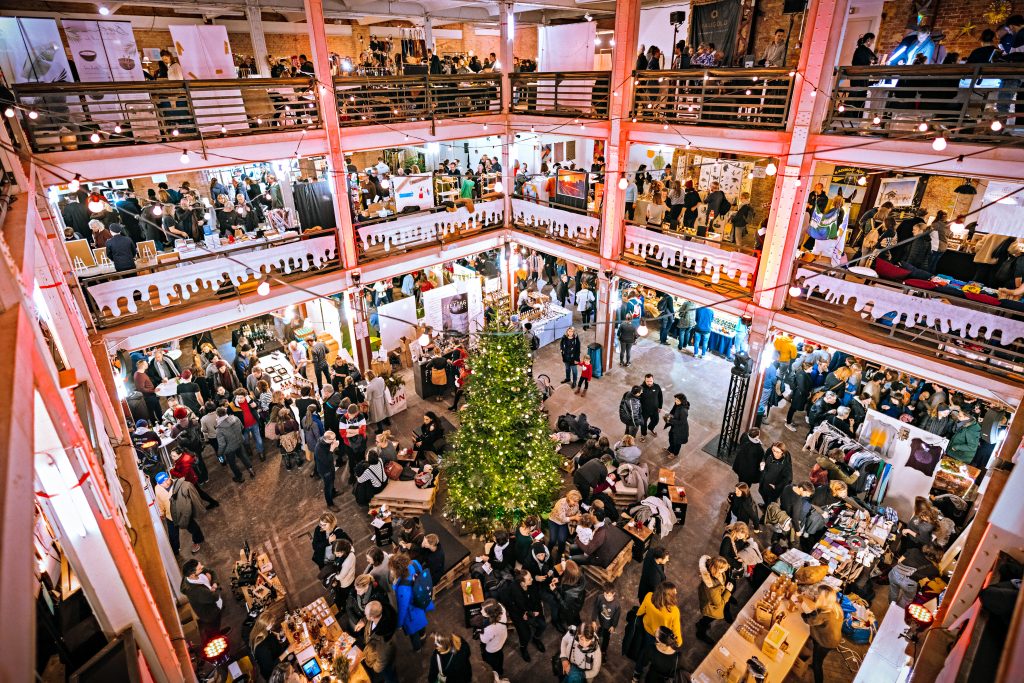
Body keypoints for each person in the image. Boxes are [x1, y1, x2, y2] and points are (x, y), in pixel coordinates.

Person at [634, 582, 682, 680]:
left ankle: (636, 674)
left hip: (648, 629)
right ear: (668, 596)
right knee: (651, 654)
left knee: (645, 651)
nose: (676, 592)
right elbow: (676, 629)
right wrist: (678, 642)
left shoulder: (649, 596)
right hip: (662, 636)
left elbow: (640, 612)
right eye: (674, 592)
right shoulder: (674, 611)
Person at [801, 585, 844, 683]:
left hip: (825, 642)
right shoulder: (835, 606)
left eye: (819, 595)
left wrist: (802, 613)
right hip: (832, 639)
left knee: (818, 664)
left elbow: (809, 620)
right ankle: (814, 663)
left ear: (824, 599)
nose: (817, 596)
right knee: (819, 655)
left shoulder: (823, 614)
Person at [391, 553, 432, 651]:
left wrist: (399, 624)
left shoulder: (402, 588)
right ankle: (423, 636)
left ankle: (418, 648)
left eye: (392, 569)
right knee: (421, 623)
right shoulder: (415, 563)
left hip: (411, 613)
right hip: (421, 601)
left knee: (414, 634)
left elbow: (403, 608)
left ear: (398, 570)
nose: (391, 571)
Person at [180, 559, 224, 640]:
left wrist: (214, 583)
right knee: (214, 628)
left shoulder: (189, 574)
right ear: (192, 575)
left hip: (209, 600)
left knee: (212, 628)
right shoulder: (196, 591)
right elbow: (215, 597)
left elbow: (212, 572)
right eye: (200, 568)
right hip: (211, 613)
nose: (203, 567)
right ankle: (216, 638)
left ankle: (217, 634)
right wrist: (213, 585)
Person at [696, 555, 733, 644]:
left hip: (710, 600)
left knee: (705, 619)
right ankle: (700, 633)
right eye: (723, 569)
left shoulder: (715, 572)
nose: (725, 570)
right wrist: (728, 591)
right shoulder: (712, 587)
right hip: (711, 608)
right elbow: (718, 604)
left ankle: (700, 623)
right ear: (716, 569)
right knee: (708, 618)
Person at [215, 406, 255, 483]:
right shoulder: (235, 418)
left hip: (229, 449)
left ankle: (239, 477)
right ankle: (251, 470)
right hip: (239, 442)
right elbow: (242, 427)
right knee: (243, 456)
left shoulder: (219, 429)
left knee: (232, 463)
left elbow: (222, 444)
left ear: (218, 415)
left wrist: (219, 453)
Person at [479, 598, 508, 679]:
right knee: (499, 654)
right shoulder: (501, 608)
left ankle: (495, 673)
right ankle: (500, 670)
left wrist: (480, 630)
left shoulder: (491, 628)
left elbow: (484, 640)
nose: (481, 611)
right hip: (502, 637)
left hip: (492, 647)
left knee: (491, 661)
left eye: (483, 611)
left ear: (490, 614)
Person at [548, 490, 582, 559]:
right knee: (552, 540)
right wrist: (574, 517)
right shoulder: (561, 503)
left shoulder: (576, 505)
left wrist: (578, 515)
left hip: (564, 523)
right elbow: (562, 519)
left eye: (577, 501)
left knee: (562, 540)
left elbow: (576, 512)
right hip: (554, 521)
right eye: (574, 501)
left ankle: (559, 557)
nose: (576, 503)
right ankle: (548, 552)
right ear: (569, 498)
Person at [759, 442, 793, 508]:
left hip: (773, 487)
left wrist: (777, 486)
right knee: (762, 493)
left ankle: (768, 511)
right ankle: (765, 505)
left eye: (777, 452)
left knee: (771, 501)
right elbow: (764, 457)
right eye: (773, 450)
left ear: (782, 452)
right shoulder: (770, 451)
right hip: (764, 481)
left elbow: (788, 479)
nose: (774, 453)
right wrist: (762, 462)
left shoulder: (786, 464)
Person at [314, 431, 340, 509]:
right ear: (327, 439)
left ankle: (333, 493)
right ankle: (330, 504)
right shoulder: (319, 448)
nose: (335, 440)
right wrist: (332, 449)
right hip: (325, 470)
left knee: (332, 480)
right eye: (334, 438)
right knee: (328, 486)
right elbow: (327, 461)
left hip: (330, 467)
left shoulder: (326, 442)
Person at [592, 584, 621, 655]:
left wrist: (613, 626)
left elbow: (616, 617)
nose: (607, 597)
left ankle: (603, 651)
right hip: (601, 620)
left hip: (609, 625)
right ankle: (596, 640)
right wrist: (593, 620)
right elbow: (596, 608)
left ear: (613, 594)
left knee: (606, 637)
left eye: (609, 595)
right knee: (600, 630)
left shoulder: (617, 605)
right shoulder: (600, 597)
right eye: (605, 594)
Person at [638, 374, 663, 442]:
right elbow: (637, 400)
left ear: (653, 380)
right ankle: (643, 435)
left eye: (651, 381)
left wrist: (660, 407)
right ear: (645, 380)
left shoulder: (657, 387)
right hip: (644, 411)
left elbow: (660, 397)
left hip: (654, 409)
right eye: (647, 381)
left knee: (656, 420)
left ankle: (650, 428)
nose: (649, 383)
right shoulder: (641, 388)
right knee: (643, 424)